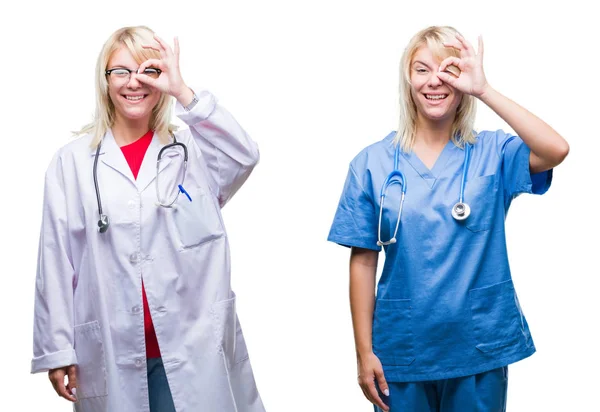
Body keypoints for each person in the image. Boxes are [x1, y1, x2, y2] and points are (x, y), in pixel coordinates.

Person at [327, 26, 569, 412]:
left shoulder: (494, 152)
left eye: (449, 70)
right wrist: (363, 352)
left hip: (478, 345)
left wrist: (485, 90)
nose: (434, 80)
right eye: (422, 69)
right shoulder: (371, 164)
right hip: (402, 351)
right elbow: (363, 260)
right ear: (407, 79)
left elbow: (555, 149)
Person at [30, 25, 265, 412]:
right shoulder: (71, 163)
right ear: (104, 81)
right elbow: (55, 260)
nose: (133, 82)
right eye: (120, 71)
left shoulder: (193, 151)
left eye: (148, 71)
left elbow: (244, 155)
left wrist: (184, 92)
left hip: (194, 348)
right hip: (112, 350)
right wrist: (57, 348)